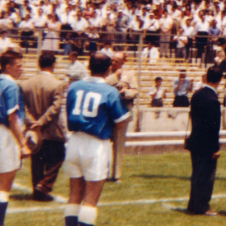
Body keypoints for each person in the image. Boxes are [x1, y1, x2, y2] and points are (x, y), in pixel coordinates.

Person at [63, 52, 130, 226]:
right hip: (95, 144)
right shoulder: (110, 91)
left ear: (88, 66)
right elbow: (121, 123)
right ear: (109, 69)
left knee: (74, 195)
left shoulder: (74, 86)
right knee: (90, 199)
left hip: (74, 140)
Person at [20, 51, 67, 201]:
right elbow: (55, 107)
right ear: (53, 65)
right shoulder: (58, 83)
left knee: (37, 160)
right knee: (58, 157)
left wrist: (32, 121)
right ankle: (44, 186)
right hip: (52, 129)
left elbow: (23, 106)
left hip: (33, 130)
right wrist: (41, 121)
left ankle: (37, 189)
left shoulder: (26, 83)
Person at [186, 66, 224, 216]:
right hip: (207, 143)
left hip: (195, 139)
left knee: (196, 174)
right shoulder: (213, 100)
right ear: (220, 80)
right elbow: (214, 127)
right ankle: (202, 205)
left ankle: (193, 204)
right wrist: (216, 148)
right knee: (206, 177)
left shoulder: (197, 95)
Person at [0, 50, 31, 226]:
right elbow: (13, 117)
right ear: (8, 66)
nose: (22, 69)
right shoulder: (11, 85)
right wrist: (22, 144)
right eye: (19, 66)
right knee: (4, 187)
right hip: (5, 135)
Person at [104, 52, 138, 182]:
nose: (113, 63)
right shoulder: (106, 73)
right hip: (106, 113)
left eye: (116, 61)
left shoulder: (129, 74)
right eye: (112, 60)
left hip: (121, 112)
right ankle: (104, 173)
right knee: (104, 143)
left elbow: (135, 91)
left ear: (123, 62)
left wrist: (125, 93)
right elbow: (103, 85)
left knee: (118, 145)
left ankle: (116, 175)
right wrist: (115, 76)